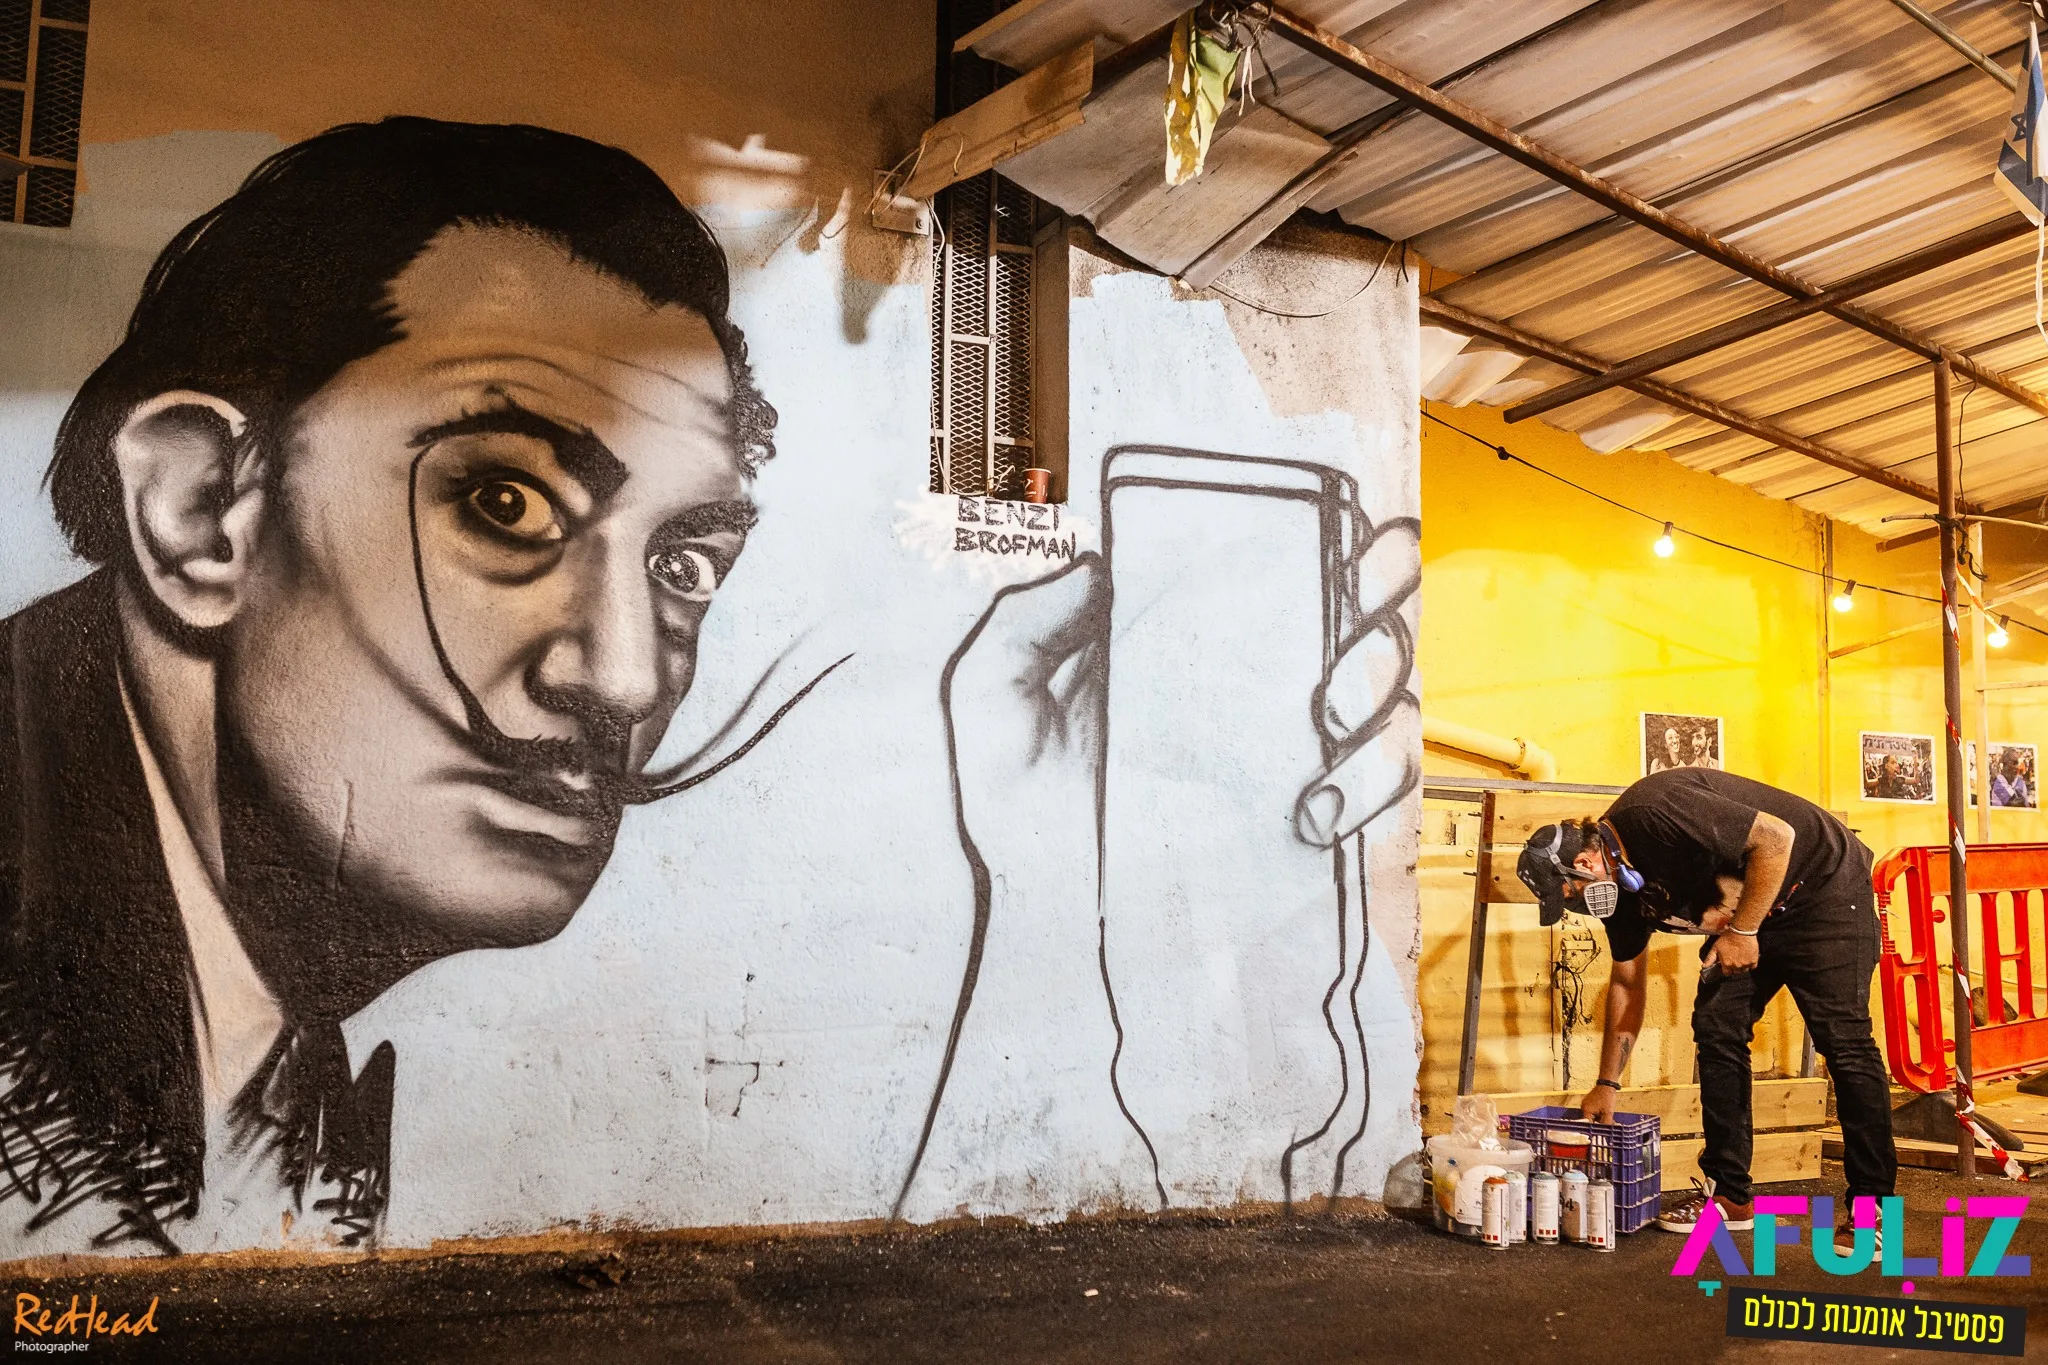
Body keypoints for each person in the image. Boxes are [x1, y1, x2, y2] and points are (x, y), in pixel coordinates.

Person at [0, 117, 795, 1254]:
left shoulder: (262, 1043)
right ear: (201, 510)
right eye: (507, 505)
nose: (624, 680)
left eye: (682, 566)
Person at [1517, 768, 1893, 1249]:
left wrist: (1743, 932)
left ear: (1586, 862)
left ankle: (1873, 1208)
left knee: (1843, 1041)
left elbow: (1776, 839)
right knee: (1717, 1024)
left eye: (1569, 894)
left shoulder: (1654, 811)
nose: (1577, 907)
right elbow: (1627, 984)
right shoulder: (1623, 899)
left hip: (1823, 889)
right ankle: (1729, 1194)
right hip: (1754, 913)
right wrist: (1606, 1085)